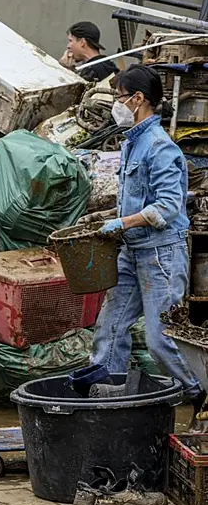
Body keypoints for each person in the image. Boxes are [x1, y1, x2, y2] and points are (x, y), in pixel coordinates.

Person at [84, 65, 205, 421]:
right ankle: (105, 401)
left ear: (138, 100)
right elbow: (136, 200)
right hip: (130, 251)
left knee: (161, 338)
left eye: (120, 97)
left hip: (161, 255)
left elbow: (167, 207)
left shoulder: (159, 148)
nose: (116, 105)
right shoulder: (132, 144)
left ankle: (200, 391)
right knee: (111, 327)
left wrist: (120, 222)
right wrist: (105, 218)